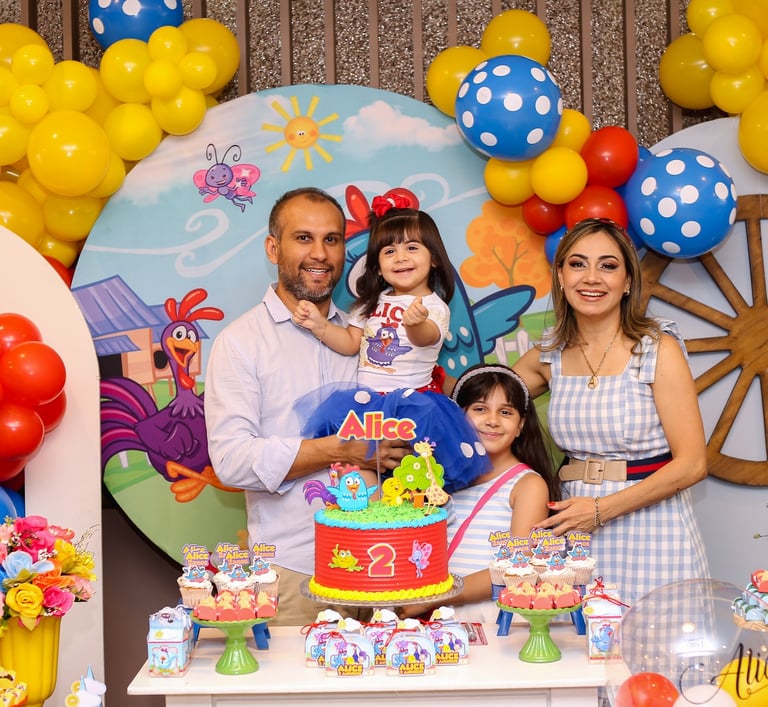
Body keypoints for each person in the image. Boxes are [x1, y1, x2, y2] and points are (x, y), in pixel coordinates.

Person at [204, 187, 408, 626]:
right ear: (273, 248)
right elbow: (232, 460)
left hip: (385, 562)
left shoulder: (367, 336)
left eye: (331, 239)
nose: (320, 253)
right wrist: (340, 449)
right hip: (296, 571)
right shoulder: (241, 343)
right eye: (303, 238)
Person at [513, 217, 710, 607]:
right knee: (579, 640)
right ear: (560, 276)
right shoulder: (549, 355)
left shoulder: (658, 348)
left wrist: (600, 510)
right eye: (577, 264)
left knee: (656, 641)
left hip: (654, 531)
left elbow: (692, 464)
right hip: (574, 535)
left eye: (608, 265)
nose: (591, 277)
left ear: (628, 281)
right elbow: (484, 401)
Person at [292, 194, 487, 493]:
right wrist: (320, 326)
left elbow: (428, 337)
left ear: (434, 258)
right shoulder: (368, 304)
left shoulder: (433, 306)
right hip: (367, 405)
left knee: (413, 478)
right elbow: (350, 342)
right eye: (389, 251)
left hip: (414, 406)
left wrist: (416, 323)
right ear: (377, 267)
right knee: (360, 474)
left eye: (412, 247)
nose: (401, 257)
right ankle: (366, 512)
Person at [400, 363, 559, 622]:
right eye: (480, 409)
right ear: (458, 418)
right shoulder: (439, 481)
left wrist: (434, 596)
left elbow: (517, 567)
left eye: (505, 412)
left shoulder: (527, 485)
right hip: (433, 619)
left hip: (486, 618)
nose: (492, 420)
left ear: (520, 425)